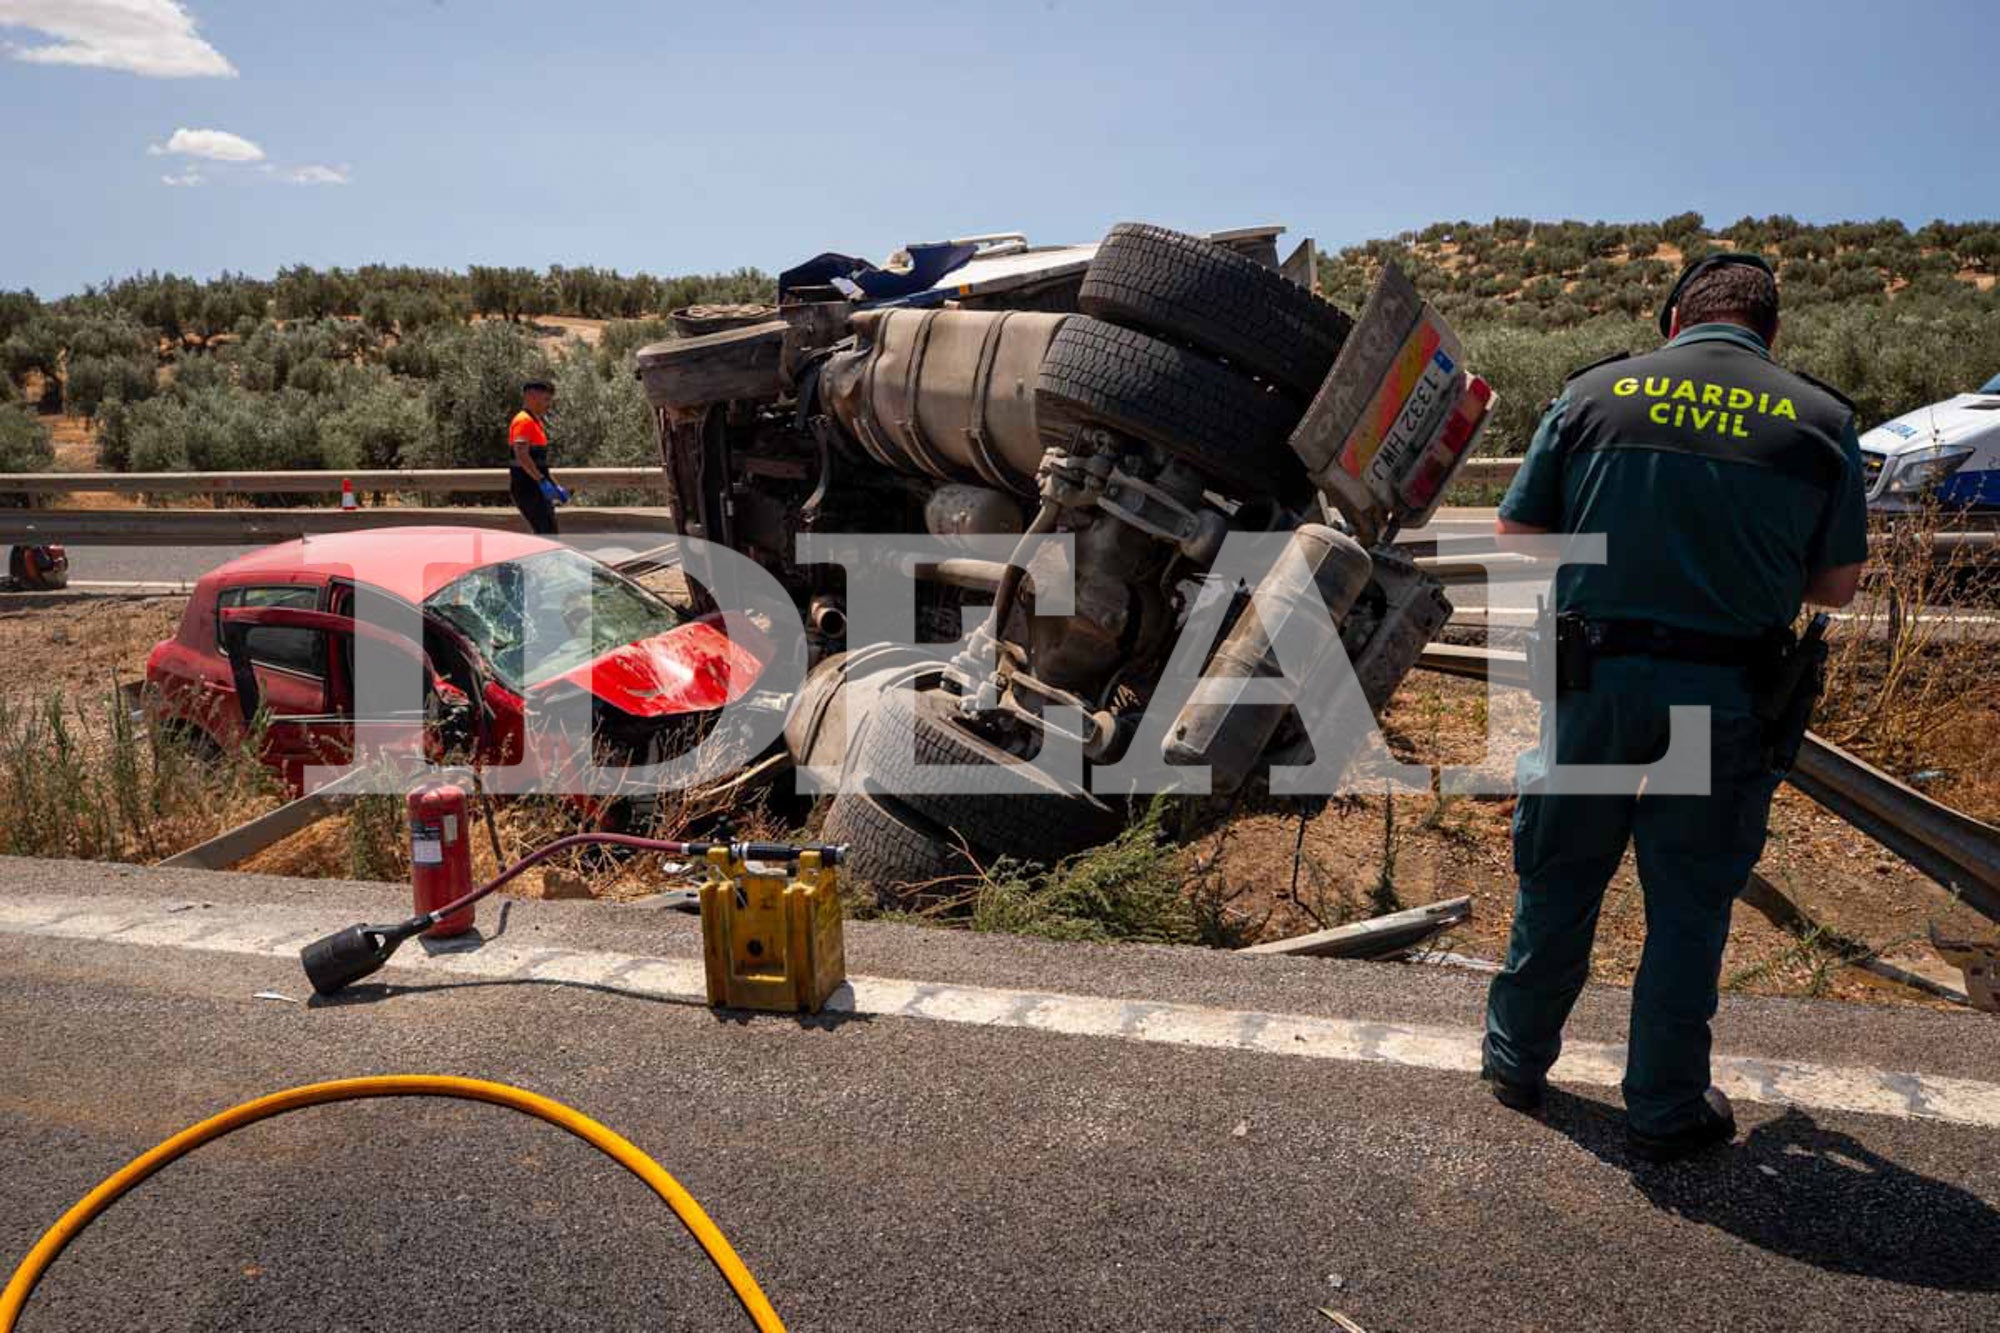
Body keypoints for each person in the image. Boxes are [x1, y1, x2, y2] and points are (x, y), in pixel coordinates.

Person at [1481, 254, 1868, 1163]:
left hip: (1597, 685)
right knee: (1689, 901)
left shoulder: (1593, 396)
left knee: (1562, 871)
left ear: (1673, 321)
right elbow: (1839, 588)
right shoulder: (1820, 420)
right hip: (1727, 696)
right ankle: (1664, 1104)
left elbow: (1518, 533)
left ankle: (1515, 1060)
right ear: (1770, 333)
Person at [508, 379, 567, 535]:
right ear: (531, 396)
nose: (549, 405)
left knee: (548, 531)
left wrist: (554, 484)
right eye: (546, 399)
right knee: (547, 533)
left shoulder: (536, 422)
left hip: (535, 486)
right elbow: (521, 455)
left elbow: (539, 463)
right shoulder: (523, 421)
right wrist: (541, 481)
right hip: (527, 487)